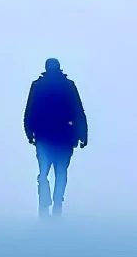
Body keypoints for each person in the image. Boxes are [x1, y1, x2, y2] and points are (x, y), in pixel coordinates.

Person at [23, 58, 88, 217]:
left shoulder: (38, 86)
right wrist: (82, 134)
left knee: (44, 171)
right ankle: (57, 202)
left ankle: (44, 203)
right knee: (61, 171)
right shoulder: (68, 86)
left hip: (43, 135)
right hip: (64, 135)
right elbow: (78, 111)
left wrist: (29, 132)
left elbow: (29, 111)